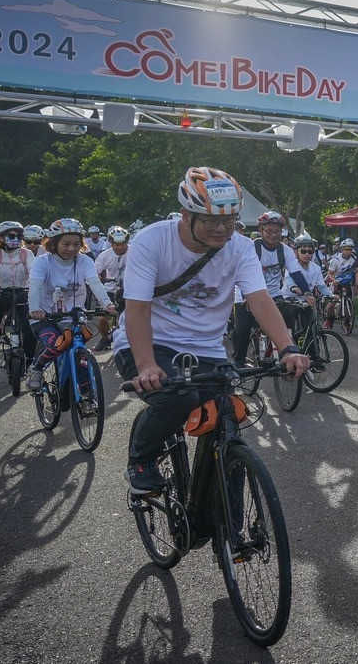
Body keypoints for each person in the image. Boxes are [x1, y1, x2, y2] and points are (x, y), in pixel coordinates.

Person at [116, 166, 308, 493]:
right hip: (152, 343)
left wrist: (287, 348)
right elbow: (138, 308)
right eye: (211, 221)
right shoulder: (151, 241)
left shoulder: (241, 248)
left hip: (208, 350)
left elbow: (260, 299)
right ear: (185, 215)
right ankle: (141, 459)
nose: (222, 229)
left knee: (227, 425)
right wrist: (147, 365)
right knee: (179, 399)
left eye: (230, 220)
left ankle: (235, 536)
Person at [25, 219, 117, 391]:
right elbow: (35, 285)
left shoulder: (85, 261)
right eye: (66, 243)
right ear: (54, 243)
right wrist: (35, 309)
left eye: (76, 244)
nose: (71, 249)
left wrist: (107, 303)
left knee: (80, 353)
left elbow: (94, 283)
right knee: (57, 345)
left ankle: (87, 395)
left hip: (73, 316)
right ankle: (36, 369)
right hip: (45, 317)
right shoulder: (43, 262)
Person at [229, 211, 311, 366]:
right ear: (261, 231)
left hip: (273, 294)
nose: (274, 235)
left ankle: (283, 351)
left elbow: (296, 273)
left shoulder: (285, 250)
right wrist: (247, 296)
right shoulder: (251, 248)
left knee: (288, 315)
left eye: (277, 231)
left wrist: (307, 293)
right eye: (269, 231)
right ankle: (238, 361)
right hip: (247, 294)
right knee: (242, 330)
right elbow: (241, 274)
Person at [0, 221, 36, 357]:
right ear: (1, 238)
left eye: (19, 236)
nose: (16, 239)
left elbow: (33, 270)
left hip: (24, 292)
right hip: (3, 292)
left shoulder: (26, 254)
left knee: (29, 331)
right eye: (11, 236)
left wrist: (36, 284)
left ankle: (30, 361)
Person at [284, 233, 334, 335]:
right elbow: (289, 280)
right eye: (303, 251)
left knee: (311, 329)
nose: (307, 254)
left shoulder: (316, 268)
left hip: (306, 301)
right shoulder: (292, 265)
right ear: (296, 252)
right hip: (290, 300)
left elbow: (321, 285)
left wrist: (331, 295)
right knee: (288, 326)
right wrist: (294, 288)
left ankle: (311, 349)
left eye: (310, 251)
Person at [93, 226, 130, 351]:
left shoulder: (135, 252)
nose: (120, 247)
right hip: (110, 289)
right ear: (111, 243)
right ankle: (105, 339)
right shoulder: (105, 256)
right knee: (103, 318)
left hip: (128, 290)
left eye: (123, 244)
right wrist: (99, 277)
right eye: (116, 244)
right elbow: (94, 272)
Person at [324, 238, 358, 329]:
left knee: (349, 304)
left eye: (350, 249)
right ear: (342, 249)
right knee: (332, 304)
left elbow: (357, 271)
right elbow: (330, 274)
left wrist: (357, 282)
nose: (348, 251)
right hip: (337, 283)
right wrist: (334, 281)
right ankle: (328, 319)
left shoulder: (355, 258)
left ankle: (347, 322)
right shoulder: (336, 260)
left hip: (347, 284)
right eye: (346, 249)